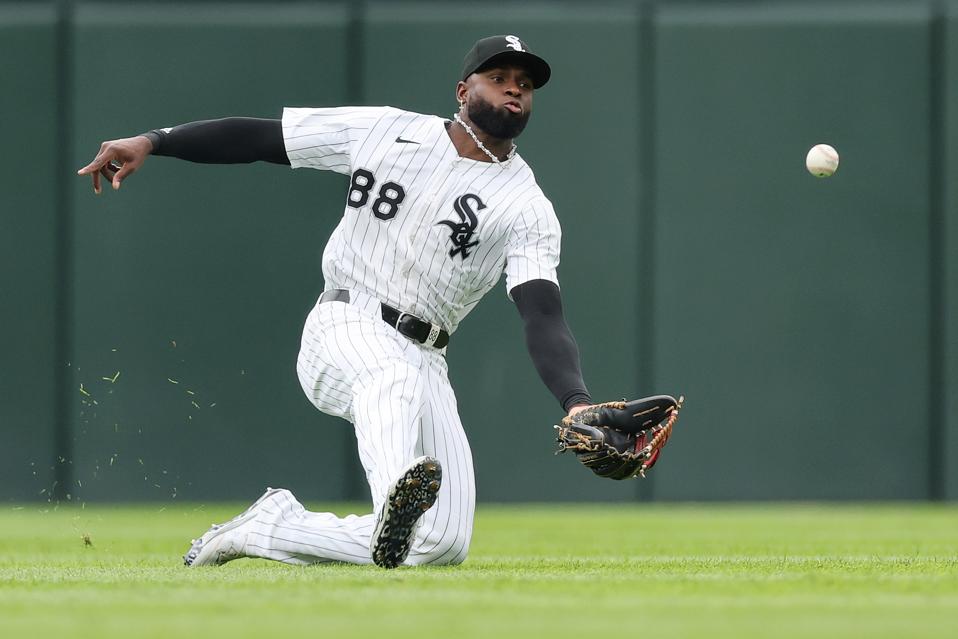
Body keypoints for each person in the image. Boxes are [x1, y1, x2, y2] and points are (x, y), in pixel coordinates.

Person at [78, 35, 593, 569]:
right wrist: (156, 140)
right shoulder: (386, 130)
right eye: (499, 78)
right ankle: (395, 494)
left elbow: (542, 313)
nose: (514, 89)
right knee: (389, 377)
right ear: (463, 91)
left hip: (427, 357)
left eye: (524, 84)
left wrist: (576, 401)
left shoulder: (527, 206)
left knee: (441, 544)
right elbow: (261, 138)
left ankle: (269, 529)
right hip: (347, 321)